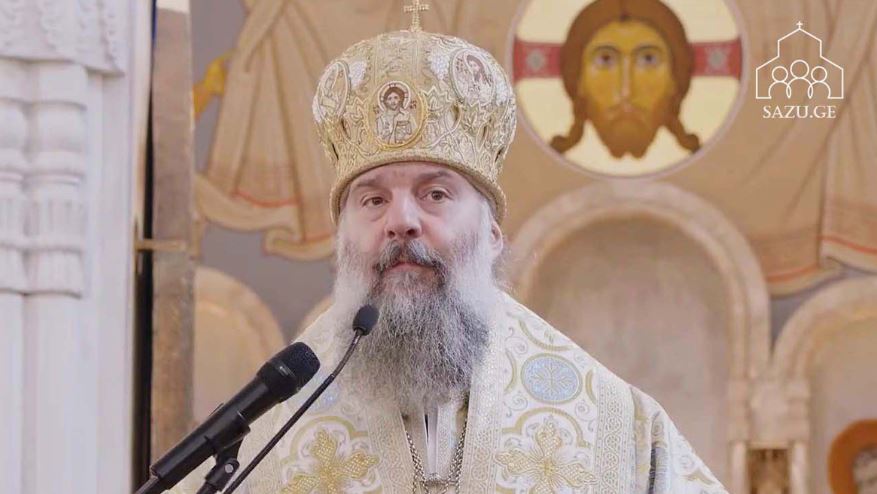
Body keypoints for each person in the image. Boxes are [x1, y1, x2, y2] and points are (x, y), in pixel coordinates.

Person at [176, 7, 726, 493]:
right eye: (373, 200)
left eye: (435, 194)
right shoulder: (271, 435)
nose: (401, 221)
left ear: (492, 236)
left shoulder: (619, 430)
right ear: (342, 242)